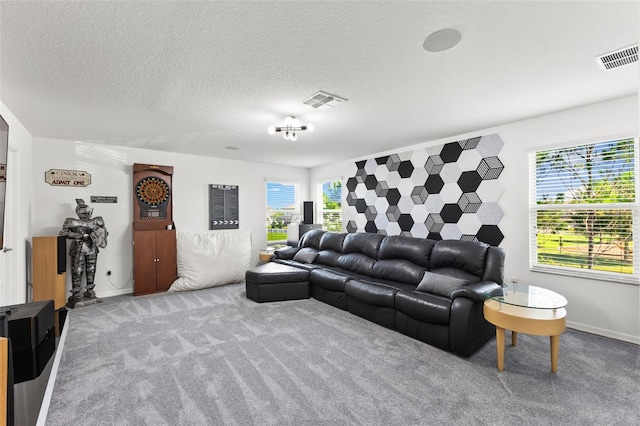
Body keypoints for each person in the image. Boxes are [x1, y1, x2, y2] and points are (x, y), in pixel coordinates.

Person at [59, 199, 108, 308]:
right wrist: (78, 235)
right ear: (78, 212)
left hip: (92, 247)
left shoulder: (96, 221)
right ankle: (76, 293)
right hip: (78, 247)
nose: (86, 214)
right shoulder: (71, 221)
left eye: (87, 212)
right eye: (83, 212)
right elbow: (63, 233)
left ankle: (90, 290)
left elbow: (104, 232)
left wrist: (97, 236)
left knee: (91, 269)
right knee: (77, 271)